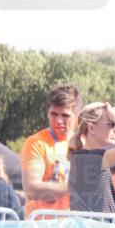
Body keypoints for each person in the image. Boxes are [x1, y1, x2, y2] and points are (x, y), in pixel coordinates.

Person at [20, 84, 81, 217]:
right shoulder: (35, 143)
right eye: (54, 114)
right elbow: (32, 190)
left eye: (65, 115)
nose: (59, 120)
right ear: (47, 112)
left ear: (77, 117)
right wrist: (75, 187)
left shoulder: (84, 144)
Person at [67, 103, 115, 214]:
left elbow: (97, 206)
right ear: (91, 128)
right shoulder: (92, 159)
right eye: (111, 124)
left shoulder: (84, 158)